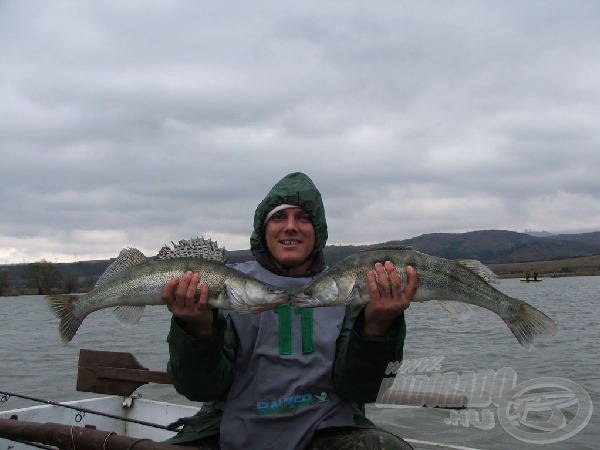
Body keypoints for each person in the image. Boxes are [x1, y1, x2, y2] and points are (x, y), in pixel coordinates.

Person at [161, 172, 418, 450]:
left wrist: (379, 327)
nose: (290, 227)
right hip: (234, 427)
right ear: (263, 229)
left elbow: (362, 390)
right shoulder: (224, 286)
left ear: (317, 230)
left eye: (303, 218)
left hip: (328, 429)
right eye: (279, 217)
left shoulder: (350, 291)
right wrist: (197, 330)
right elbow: (199, 389)